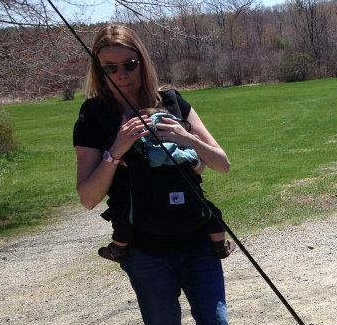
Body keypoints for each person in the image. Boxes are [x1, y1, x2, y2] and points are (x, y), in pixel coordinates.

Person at [73, 24, 260, 325]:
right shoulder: (93, 116)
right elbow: (87, 196)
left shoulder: (172, 101)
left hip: (196, 242)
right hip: (144, 251)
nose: (122, 74)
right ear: (99, 70)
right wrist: (116, 149)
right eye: (111, 67)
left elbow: (223, 164)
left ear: (143, 61)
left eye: (130, 64)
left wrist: (185, 137)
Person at [97, 107, 235, 263]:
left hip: (150, 210)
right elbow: (198, 168)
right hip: (186, 206)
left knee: (125, 218)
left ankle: (118, 249)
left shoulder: (141, 153)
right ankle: (220, 246)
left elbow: (125, 164)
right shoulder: (183, 151)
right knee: (213, 214)